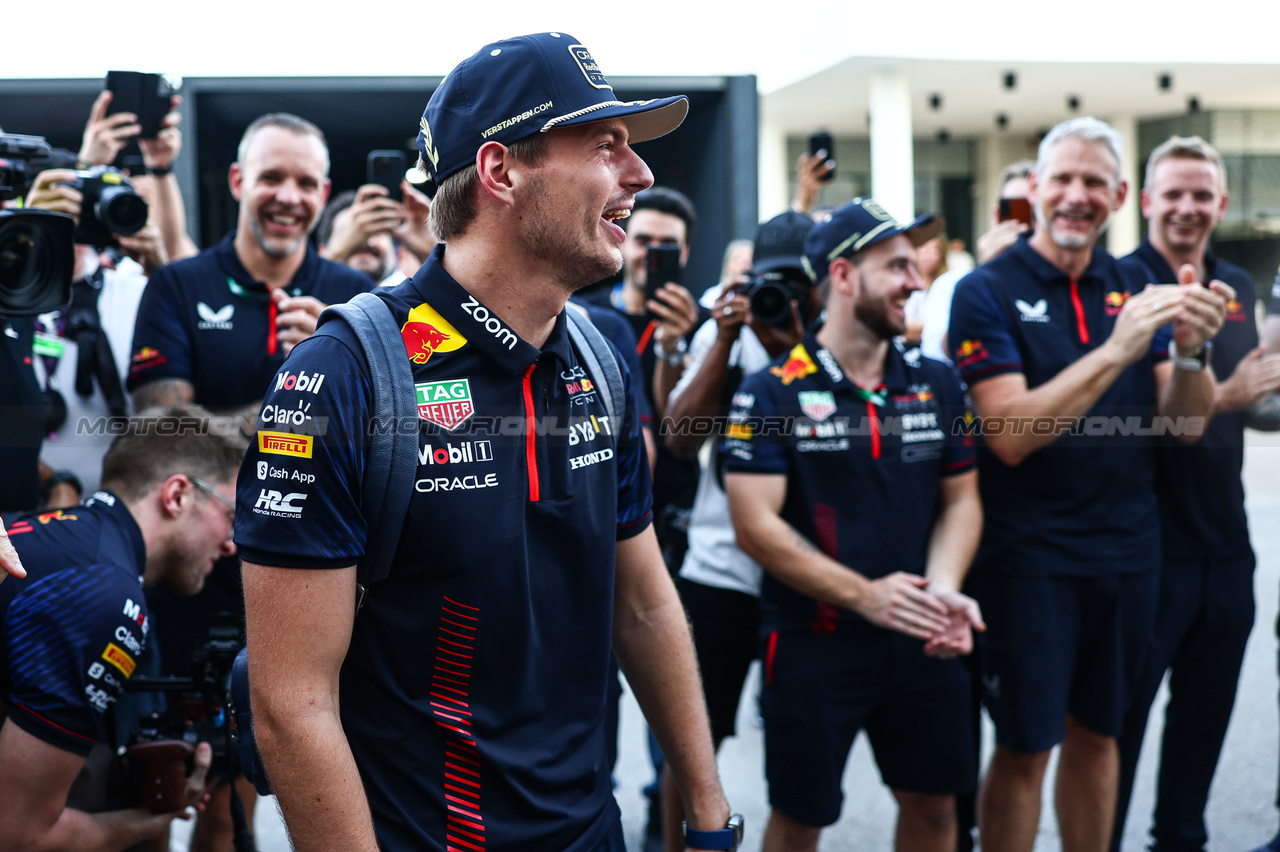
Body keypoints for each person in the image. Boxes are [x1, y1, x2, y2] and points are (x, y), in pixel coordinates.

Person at [235, 32, 734, 852]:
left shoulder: (601, 355)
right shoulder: (342, 374)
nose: (640, 174)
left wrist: (711, 815)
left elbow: (641, 602)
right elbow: (293, 707)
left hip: (590, 831)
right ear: (501, 172)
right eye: (606, 146)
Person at [947, 117, 1230, 852]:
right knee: (1026, 747)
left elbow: (1184, 426)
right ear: (1034, 189)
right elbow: (1007, 436)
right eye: (1062, 180)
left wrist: (1194, 354)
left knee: (1101, 738)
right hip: (1027, 562)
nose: (1076, 196)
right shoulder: (985, 291)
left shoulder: (1137, 282)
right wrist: (1117, 349)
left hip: (1129, 555)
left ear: (1119, 195)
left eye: (1093, 183)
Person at [126, 111, 373, 851]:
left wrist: (330, 365)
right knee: (203, 795)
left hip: (321, 576)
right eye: (271, 177)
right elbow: (162, 432)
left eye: (304, 182)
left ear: (325, 194)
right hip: (201, 573)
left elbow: (385, 444)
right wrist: (299, 388)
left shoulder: (357, 299)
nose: (287, 196)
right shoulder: (177, 287)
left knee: (313, 774)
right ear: (239, 182)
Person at [723, 197, 984, 852]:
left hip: (923, 631)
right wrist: (869, 597)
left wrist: (944, 587)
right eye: (897, 265)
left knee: (935, 807)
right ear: (842, 276)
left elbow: (962, 500)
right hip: (814, 640)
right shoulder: (772, 391)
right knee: (802, 817)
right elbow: (754, 526)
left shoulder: (938, 382)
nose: (916, 281)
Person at [1111, 136, 1280, 852]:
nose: (1186, 207)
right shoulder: (1120, 284)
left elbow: (1263, 397)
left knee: (1203, 726)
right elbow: (1163, 416)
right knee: (1117, 731)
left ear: (1221, 203)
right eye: (1172, 193)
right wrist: (1234, 392)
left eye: (1200, 194)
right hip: (1146, 549)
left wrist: (1254, 393)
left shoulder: (1238, 284)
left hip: (1224, 544)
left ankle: (1179, 840)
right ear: (1147, 201)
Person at [0, 406, 244, 852]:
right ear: (177, 496)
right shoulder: (105, 596)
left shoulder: (47, 531)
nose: (232, 543)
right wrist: (156, 819)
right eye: (231, 515)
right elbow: (19, 835)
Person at [659, 211, 816, 851]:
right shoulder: (726, 331)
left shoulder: (828, 334)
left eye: (793, 286)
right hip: (720, 570)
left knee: (803, 758)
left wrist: (797, 350)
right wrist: (724, 341)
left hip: (803, 573)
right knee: (694, 745)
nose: (780, 300)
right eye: (767, 284)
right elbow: (678, 440)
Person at [919, 160, 1032, 364]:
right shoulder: (951, 286)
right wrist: (985, 278)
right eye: (1018, 210)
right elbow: (938, 361)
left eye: (1036, 211)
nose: (1026, 225)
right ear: (997, 215)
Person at [316, 181, 438, 287]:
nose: (365, 240)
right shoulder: (303, 301)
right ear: (322, 251)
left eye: (377, 231)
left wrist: (430, 252)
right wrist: (336, 256)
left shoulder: (405, 308)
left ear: (396, 256)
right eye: (350, 230)